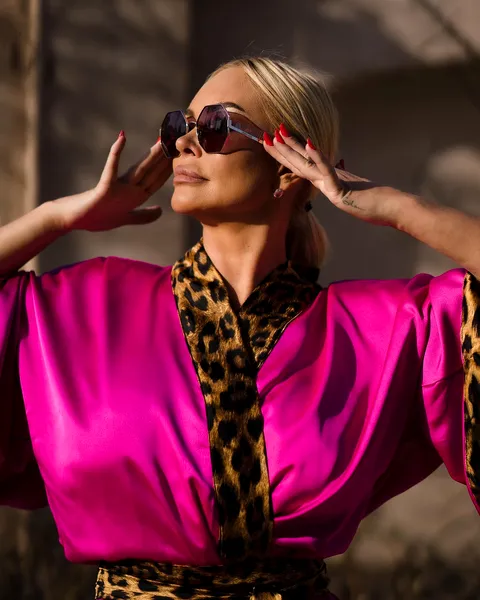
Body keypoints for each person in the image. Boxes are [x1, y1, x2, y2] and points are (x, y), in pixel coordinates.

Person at [0, 56, 479, 600]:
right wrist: (56, 217)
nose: (184, 144)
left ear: (288, 166)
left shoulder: (381, 330)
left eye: (214, 126)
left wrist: (393, 206)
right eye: (179, 127)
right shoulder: (83, 307)